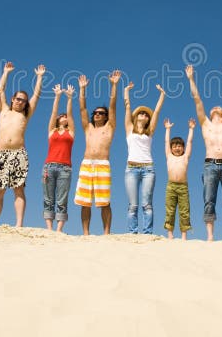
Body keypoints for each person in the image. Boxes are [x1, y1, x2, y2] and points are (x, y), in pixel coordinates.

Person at [186, 61, 222, 241]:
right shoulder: (205, 124)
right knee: (209, 200)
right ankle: (210, 236)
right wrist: (191, 79)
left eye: (219, 108)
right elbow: (197, 100)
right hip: (209, 164)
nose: (216, 107)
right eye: (213, 107)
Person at [0, 61, 45, 227]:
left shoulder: (25, 115)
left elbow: (36, 96)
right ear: (13, 99)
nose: (21, 102)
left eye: (23, 101)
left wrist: (40, 77)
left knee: (18, 189)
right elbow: (1, 90)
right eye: (18, 99)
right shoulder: (4, 110)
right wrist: (6, 72)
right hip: (0, 154)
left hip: (18, 153)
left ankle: (19, 224)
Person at [74, 70, 121, 235]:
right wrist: (82, 89)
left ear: (106, 116)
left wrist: (114, 85)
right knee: (85, 202)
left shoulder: (110, 127)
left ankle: (106, 232)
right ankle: (85, 233)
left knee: (104, 201)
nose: (97, 115)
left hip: (102, 165)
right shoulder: (88, 128)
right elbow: (82, 109)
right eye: (95, 113)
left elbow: (113, 105)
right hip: (86, 164)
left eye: (101, 113)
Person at [122, 81, 166, 234]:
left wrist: (162, 94)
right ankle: (133, 232)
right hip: (131, 168)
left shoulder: (150, 132)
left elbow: (157, 111)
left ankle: (147, 233)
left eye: (146, 114)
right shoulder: (129, 129)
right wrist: (126, 90)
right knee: (132, 205)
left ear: (148, 119)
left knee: (147, 204)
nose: (144, 115)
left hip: (148, 169)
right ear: (136, 117)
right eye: (141, 113)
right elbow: (127, 106)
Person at [42, 84, 76, 232]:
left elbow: (70, 113)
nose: (64, 117)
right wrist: (57, 96)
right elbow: (53, 112)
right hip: (49, 167)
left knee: (62, 199)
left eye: (65, 117)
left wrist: (69, 98)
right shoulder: (52, 131)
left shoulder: (71, 132)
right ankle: (49, 228)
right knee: (48, 198)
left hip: (65, 169)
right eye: (61, 116)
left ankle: (59, 229)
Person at [163, 118, 195, 240]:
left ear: (183, 148)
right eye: (175, 146)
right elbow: (166, 142)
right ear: (171, 148)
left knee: (184, 211)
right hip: (171, 186)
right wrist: (167, 129)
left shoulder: (186, 156)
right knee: (170, 210)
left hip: (183, 187)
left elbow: (190, 142)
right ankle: (170, 234)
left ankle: (183, 235)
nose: (177, 148)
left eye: (180, 146)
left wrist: (191, 129)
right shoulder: (169, 156)